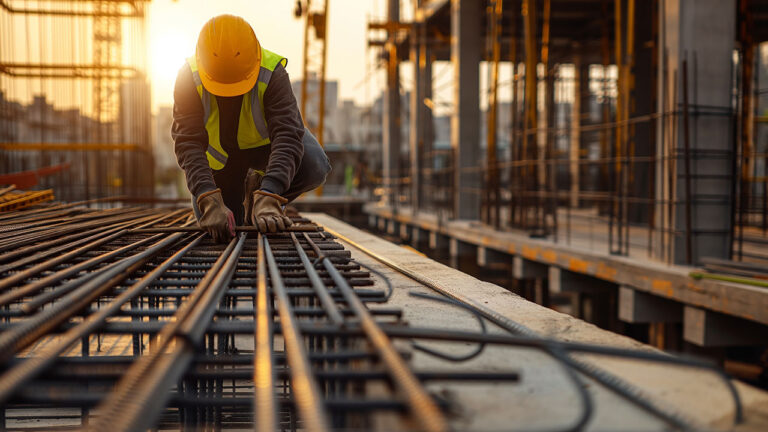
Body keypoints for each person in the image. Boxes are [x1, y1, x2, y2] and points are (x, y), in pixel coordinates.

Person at [172, 14, 331, 242]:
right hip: (222, 162)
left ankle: (260, 194)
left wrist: (270, 194)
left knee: (315, 164)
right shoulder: (188, 77)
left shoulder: (272, 73)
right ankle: (239, 200)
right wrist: (207, 196)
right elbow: (188, 142)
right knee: (225, 229)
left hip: (264, 150)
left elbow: (287, 134)